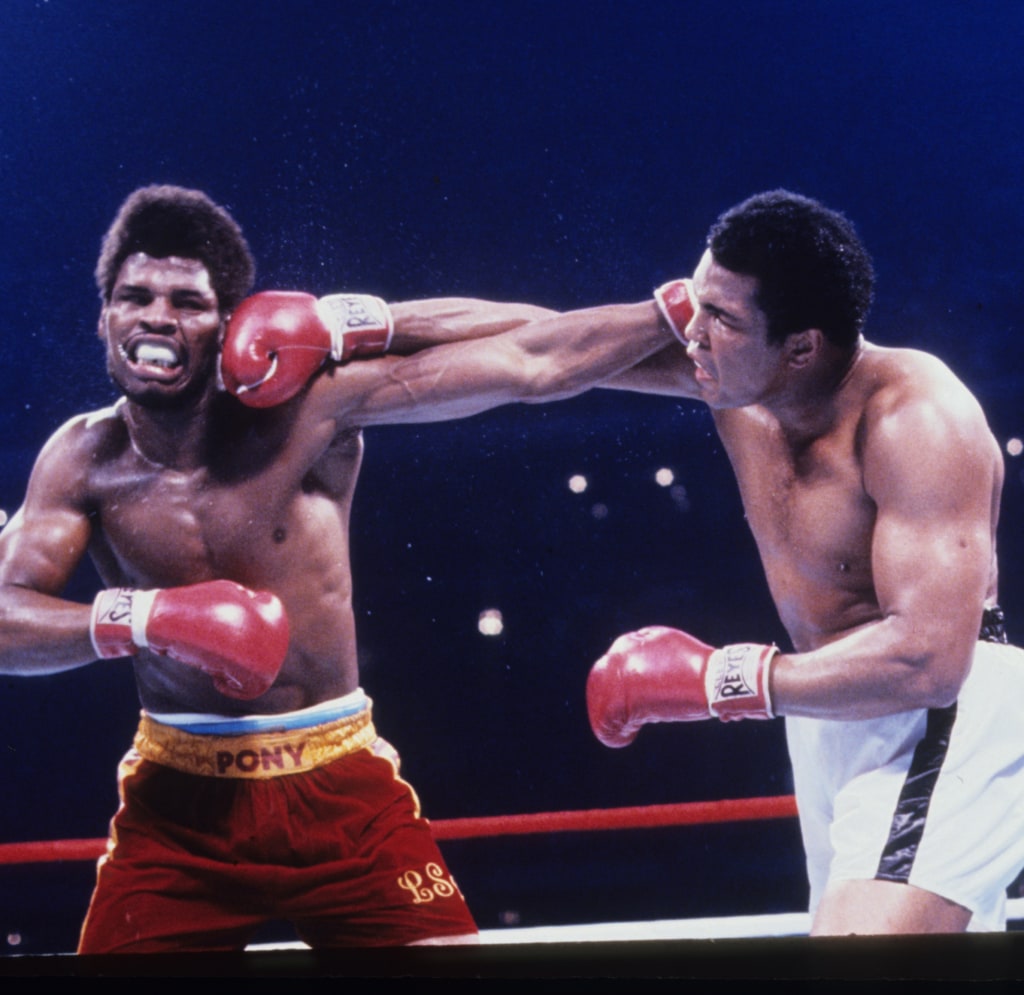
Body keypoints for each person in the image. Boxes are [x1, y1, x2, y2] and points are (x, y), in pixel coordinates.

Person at [0, 184, 679, 952]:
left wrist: (670, 313)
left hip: (340, 791)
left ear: (228, 322)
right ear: (104, 317)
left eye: (186, 301)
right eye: (135, 295)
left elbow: (530, 358)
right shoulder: (82, 458)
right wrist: (143, 617)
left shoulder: (309, 412)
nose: (157, 316)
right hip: (176, 808)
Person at [582, 189, 1024, 935]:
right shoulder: (732, 376)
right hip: (828, 713)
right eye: (697, 304)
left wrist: (717, 680)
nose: (693, 331)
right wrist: (365, 335)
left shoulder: (916, 416)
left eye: (721, 317)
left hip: (941, 709)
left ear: (799, 346)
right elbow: (530, 352)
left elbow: (930, 660)